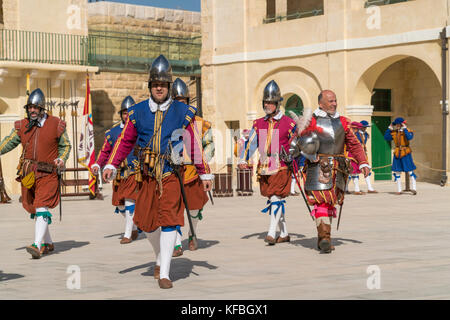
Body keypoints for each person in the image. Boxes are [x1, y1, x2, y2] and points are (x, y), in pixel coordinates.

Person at [102, 55, 213, 289]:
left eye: (163, 84)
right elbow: (124, 142)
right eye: (155, 84)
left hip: (172, 174)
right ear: (150, 86)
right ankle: (160, 257)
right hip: (146, 175)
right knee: (146, 224)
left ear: (169, 86)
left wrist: (204, 173)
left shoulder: (184, 111)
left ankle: (165, 273)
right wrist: (111, 164)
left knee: (170, 221)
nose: (159, 88)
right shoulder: (137, 112)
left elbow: (193, 144)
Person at [290, 90, 370, 253]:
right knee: (321, 201)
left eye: (335, 100)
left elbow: (354, 144)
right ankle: (325, 237)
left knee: (331, 202)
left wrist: (363, 162)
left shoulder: (343, 122)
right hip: (318, 166)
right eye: (331, 101)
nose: (334, 104)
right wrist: (308, 154)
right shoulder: (310, 121)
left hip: (339, 167)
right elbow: (297, 144)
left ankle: (323, 238)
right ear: (321, 104)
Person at [0, 88, 71, 259]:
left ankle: (37, 245)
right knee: (33, 206)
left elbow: (66, 146)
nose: (32, 110)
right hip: (29, 175)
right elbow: (8, 142)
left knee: (41, 206)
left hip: (48, 174)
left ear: (42, 108)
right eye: (30, 107)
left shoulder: (56, 124)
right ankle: (48, 242)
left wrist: (62, 159)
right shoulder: (22, 126)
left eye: (35, 107)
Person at [239, 80, 297, 245]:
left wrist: (293, 156)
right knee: (274, 199)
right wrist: (244, 158)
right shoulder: (259, 123)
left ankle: (271, 232)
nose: (268, 104)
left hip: (282, 165)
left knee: (275, 197)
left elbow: (297, 144)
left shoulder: (289, 123)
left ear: (278, 103)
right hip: (265, 165)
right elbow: (251, 143)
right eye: (266, 102)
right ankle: (284, 233)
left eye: (271, 102)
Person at [170, 78, 215, 257]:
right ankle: (176, 243)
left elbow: (209, 145)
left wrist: (201, 162)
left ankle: (192, 233)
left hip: (193, 171)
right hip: (172, 172)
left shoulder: (200, 123)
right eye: (177, 102)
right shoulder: (166, 121)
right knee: (174, 208)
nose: (181, 105)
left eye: (184, 102)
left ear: (188, 102)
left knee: (194, 208)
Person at [92, 96, 139, 244]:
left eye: (130, 113)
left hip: (135, 172)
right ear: (121, 114)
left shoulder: (141, 131)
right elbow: (105, 151)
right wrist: (97, 164)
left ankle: (127, 234)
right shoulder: (111, 133)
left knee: (130, 201)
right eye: (125, 113)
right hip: (118, 173)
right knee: (119, 204)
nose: (127, 115)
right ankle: (135, 226)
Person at [384, 117, 417, 195]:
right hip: (397, 152)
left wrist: (405, 129)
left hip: (406, 152)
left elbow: (409, 137)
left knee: (410, 171)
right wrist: (389, 128)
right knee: (397, 171)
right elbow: (386, 137)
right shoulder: (394, 132)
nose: (398, 125)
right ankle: (399, 190)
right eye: (398, 124)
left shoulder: (408, 131)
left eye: (400, 124)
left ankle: (414, 188)